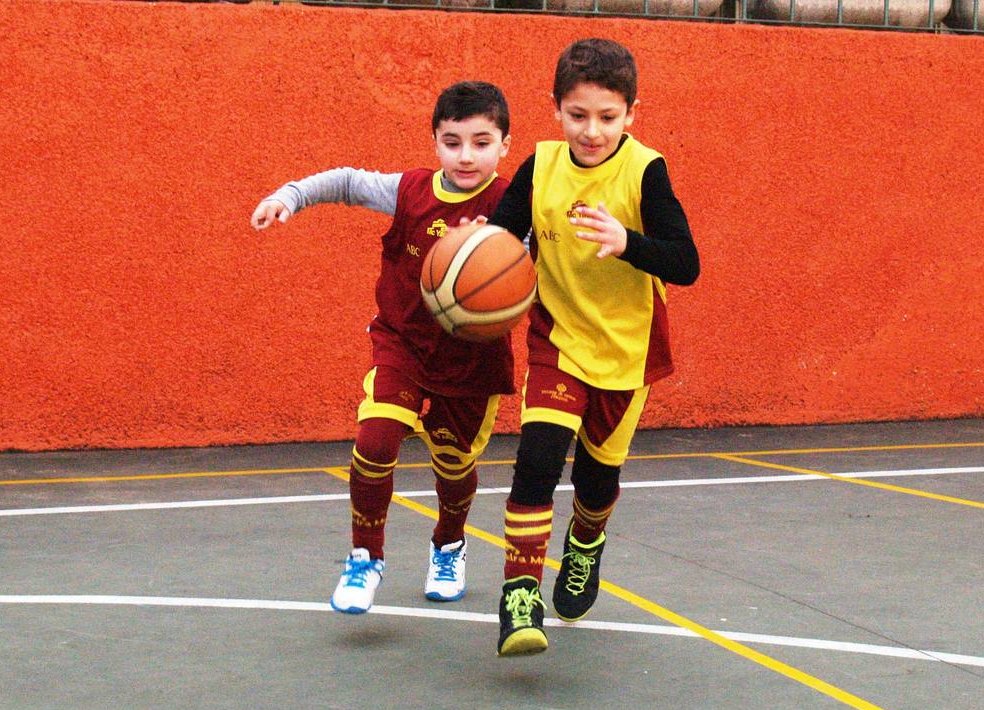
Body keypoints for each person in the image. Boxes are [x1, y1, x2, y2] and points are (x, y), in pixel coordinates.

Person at [250, 81, 514, 615]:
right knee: (375, 440)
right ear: (434, 142)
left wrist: (503, 245)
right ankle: (365, 557)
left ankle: (448, 544)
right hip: (403, 344)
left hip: (472, 361)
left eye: (482, 142)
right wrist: (289, 196)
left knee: (453, 464)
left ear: (505, 145)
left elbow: (537, 258)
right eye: (453, 141)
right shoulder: (409, 191)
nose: (466, 155)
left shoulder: (512, 204)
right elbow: (347, 182)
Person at [485, 38, 700, 656]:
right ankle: (519, 597)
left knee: (595, 478)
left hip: (628, 350)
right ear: (556, 110)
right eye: (578, 115)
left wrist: (627, 240)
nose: (592, 130)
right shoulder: (541, 165)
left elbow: (686, 264)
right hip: (558, 338)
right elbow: (505, 234)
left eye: (608, 117)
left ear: (631, 114)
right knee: (537, 460)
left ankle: (585, 543)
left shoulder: (645, 171)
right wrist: (479, 248)